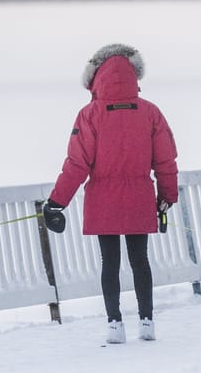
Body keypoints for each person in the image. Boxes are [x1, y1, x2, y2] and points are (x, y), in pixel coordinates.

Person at [43, 43, 179, 344]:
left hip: (102, 198)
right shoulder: (150, 112)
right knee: (140, 261)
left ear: (96, 77)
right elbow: (165, 160)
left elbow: (77, 164)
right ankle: (147, 322)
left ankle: (115, 324)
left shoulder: (90, 114)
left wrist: (56, 202)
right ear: (133, 74)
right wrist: (167, 195)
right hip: (139, 196)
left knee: (110, 263)